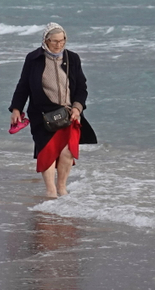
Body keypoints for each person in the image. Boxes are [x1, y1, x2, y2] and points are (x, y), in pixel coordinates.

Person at [9, 22, 97, 197]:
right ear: (46, 41)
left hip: (69, 114)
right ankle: (50, 191)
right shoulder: (33, 59)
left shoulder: (73, 58)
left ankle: (62, 188)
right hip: (42, 114)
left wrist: (77, 108)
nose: (59, 44)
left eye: (62, 40)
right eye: (55, 41)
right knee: (47, 152)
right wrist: (16, 108)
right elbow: (23, 85)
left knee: (68, 152)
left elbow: (82, 88)